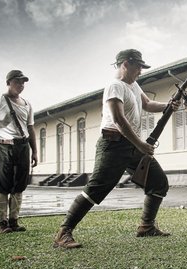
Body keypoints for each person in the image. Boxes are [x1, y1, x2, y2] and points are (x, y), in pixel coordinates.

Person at [53, 49, 179, 249]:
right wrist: (141, 144)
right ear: (126, 64)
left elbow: (148, 104)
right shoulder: (115, 86)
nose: (140, 71)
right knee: (96, 189)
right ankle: (63, 232)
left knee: (158, 182)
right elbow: (119, 120)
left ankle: (146, 227)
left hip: (132, 145)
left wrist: (169, 106)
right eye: (138, 66)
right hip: (113, 145)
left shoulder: (133, 85)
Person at [0, 70, 38, 233]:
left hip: (22, 146)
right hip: (2, 146)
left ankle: (14, 221)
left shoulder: (27, 104)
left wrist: (34, 151)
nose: (21, 85)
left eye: (23, 82)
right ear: (8, 82)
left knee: (19, 184)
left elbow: (30, 128)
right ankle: (2, 223)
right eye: (18, 81)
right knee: (2, 184)